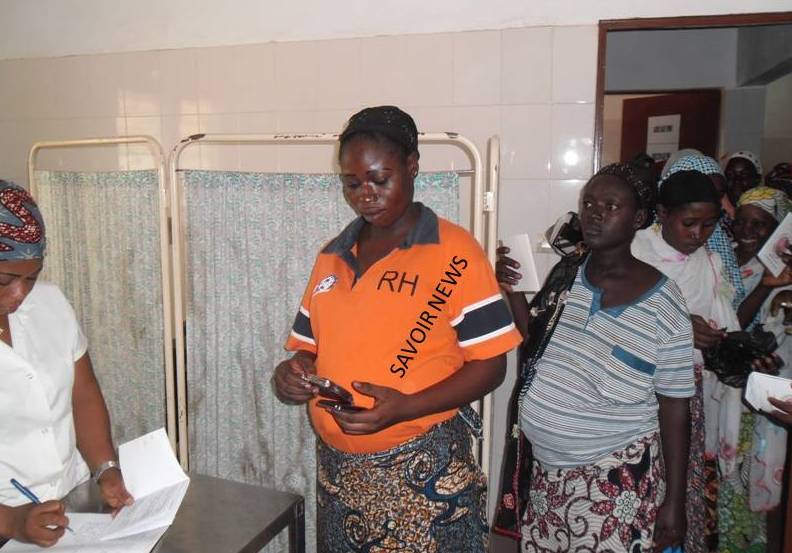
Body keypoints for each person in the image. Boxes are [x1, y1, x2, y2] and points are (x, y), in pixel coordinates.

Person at [271, 106, 522, 552]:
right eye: (352, 183)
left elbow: (491, 367)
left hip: (424, 473)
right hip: (339, 475)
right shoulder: (332, 255)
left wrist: (406, 407)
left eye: (379, 179)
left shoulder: (454, 252)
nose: (365, 195)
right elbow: (309, 348)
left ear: (412, 166)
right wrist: (292, 373)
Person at [495, 163, 694, 552]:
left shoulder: (664, 304)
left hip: (616, 480)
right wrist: (513, 290)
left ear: (638, 218)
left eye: (610, 206)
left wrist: (675, 500)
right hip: (547, 475)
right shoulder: (568, 276)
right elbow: (531, 342)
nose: (594, 214)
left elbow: (676, 407)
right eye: (588, 203)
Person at [0, 181, 133, 548]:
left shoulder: (50, 302)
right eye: (5, 280)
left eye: (32, 276)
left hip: (71, 503)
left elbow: (83, 395)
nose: (20, 294)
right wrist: (12, 521)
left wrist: (105, 469)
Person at [631, 170, 735, 553]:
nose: (698, 235)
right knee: (639, 484)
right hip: (637, 396)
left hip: (686, 396)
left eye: (709, 225)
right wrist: (678, 325)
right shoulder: (634, 253)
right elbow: (612, 321)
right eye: (689, 223)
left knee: (676, 486)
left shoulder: (709, 263)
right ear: (662, 213)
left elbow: (722, 320)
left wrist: (720, 342)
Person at [725, 186, 792, 553]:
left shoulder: (787, 275)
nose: (747, 231)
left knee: (766, 484)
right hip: (730, 392)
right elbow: (729, 326)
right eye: (741, 222)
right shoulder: (725, 262)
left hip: (775, 397)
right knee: (732, 479)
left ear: (779, 230)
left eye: (760, 224)